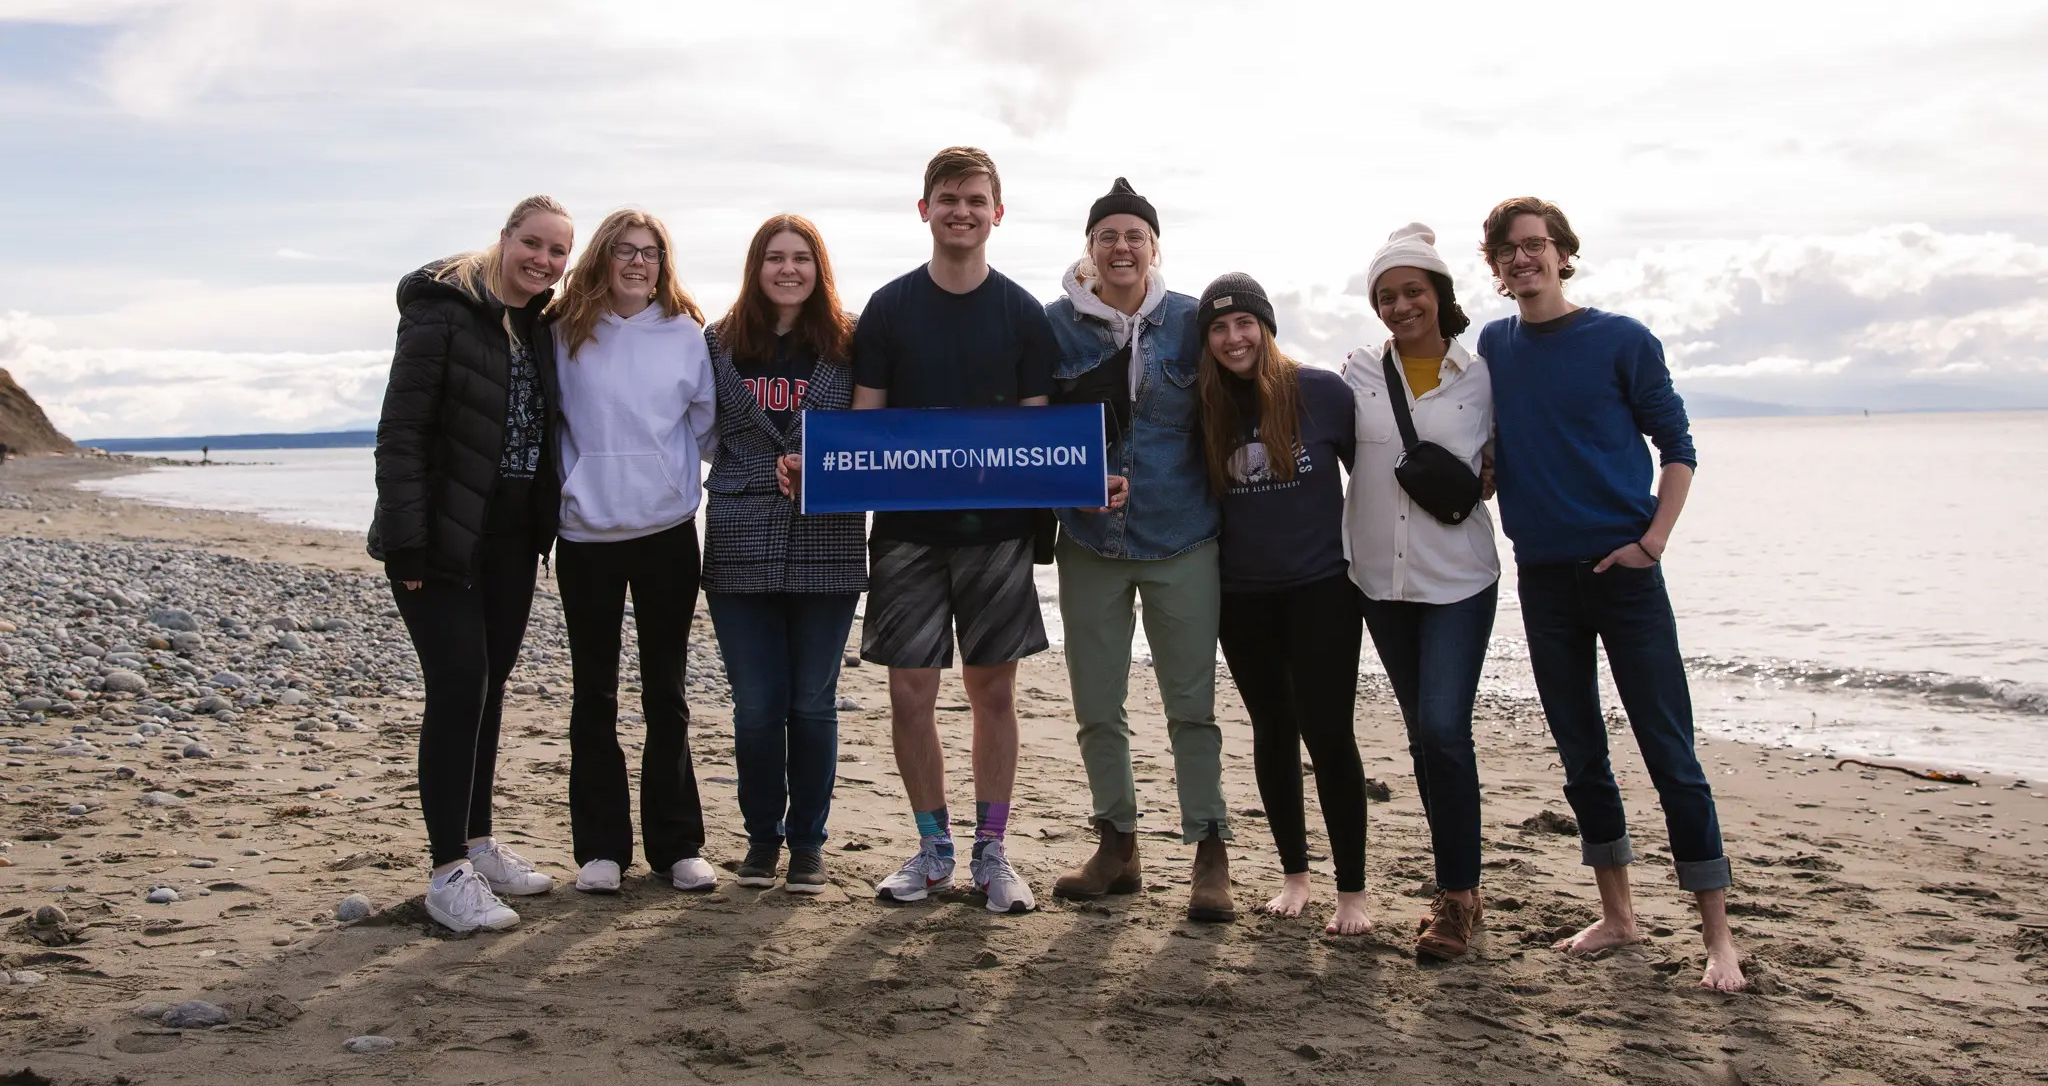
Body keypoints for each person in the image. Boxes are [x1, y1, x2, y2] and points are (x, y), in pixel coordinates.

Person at [1478, 196, 1745, 991]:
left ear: (1563, 254)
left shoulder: (1623, 340)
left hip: (1625, 578)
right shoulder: (1494, 345)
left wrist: (1652, 542)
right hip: (1544, 579)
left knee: (1671, 754)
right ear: (1495, 267)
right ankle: (1620, 915)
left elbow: (1679, 447)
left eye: (1536, 246)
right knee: (1581, 754)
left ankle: (1719, 938)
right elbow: (1499, 433)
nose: (1523, 260)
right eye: (1508, 251)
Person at [841, 147, 1060, 914]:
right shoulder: (890, 308)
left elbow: (1039, 447)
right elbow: (863, 429)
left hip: (998, 534)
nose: (961, 211)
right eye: (947, 199)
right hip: (906, 533)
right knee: (910, 694)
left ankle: (991, 851)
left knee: (993, 693)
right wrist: (823, 467)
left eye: (975, 200)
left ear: (997, 213)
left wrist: (1081, 480)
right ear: (924, 209)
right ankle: (932, 847)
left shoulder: (1024, 314)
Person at [368, 195, 573, 933]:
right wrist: (408, 542)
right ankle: (447, 870)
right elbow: (401, 432)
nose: (544, 261)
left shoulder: (538, 325)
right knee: (458, 687)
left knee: (489, 687)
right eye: (534, 244)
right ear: (505, 238)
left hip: (515, 540)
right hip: (443, 540)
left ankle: (478, 842)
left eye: (557, 253)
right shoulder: (442, 310)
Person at [1045, 179, 1234, 922]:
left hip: (1182, 534)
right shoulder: (1053, 326)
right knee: (1098, 703)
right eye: (1106, 236)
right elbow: (1025, 431)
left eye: (1134, 236)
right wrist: (1073, 488)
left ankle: (1210, 847)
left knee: (1193, 704)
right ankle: (1117, 843)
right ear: (1088, 249)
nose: (1120, 248)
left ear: (1155, 248)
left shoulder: (1193, 322)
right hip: (1088, 539)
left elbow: (1256, 391)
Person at [548, 208, 718, 896]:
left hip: (665, 534)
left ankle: (677, 845)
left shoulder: (686, 334)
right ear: (602, 259)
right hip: (586, 535)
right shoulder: (563, 332)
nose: (637, 263)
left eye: (649, 253)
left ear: (663, 264)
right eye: (624, 251)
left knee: (665, 693)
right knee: (593, 695)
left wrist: (667, 479)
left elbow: (704, 427)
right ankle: (601, 850)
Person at [1197, 273, 1372, 936]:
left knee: (1330, 734)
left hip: (1323, 589)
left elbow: (1375, 482)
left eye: (1244, 324)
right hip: (1241, 597)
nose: (1233, 338)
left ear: (1265, 327)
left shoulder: (1321, 392)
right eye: (1218, 328)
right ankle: (1295, 876)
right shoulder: (1204, 408)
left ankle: (1352, 892)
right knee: (1272, 733)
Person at [1343, 224, 1500, 959]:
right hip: (1379, 581)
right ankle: (1456, 886)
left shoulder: (1484, 375)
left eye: (1412, 291)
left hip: (1459, 579)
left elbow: (1528, 442)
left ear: (1440, 294)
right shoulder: (1357, 376)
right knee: (1420, 737)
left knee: (1443, 730)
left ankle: (1458, 896)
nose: (1400, 305)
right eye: (1386, 295)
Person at [702, 214, 866, 894]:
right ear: (756, 266)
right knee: (757, 705)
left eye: (801, 257)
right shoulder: (716, 341)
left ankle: (808, 845)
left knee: (813, 702)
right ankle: (762, 838)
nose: (788, 269)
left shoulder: (852, 342)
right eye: (775, 257)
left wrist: (827, 465)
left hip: (827, 539)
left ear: (818, 267)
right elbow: (687, 425)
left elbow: (883, 433)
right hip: (739, 538)